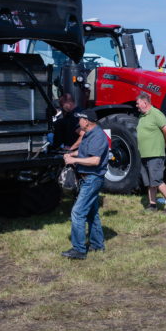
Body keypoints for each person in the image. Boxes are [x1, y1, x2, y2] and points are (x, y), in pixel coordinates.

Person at [61, 110, 109, 260]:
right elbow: (84, 152)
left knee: (77, 212)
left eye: (80, 119)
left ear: (87, 121)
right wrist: (72, 154)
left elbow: (95, 160)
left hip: (92, 179)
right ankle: (97, 244)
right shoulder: (88, 134)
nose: (79, 121)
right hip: (87, 179)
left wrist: (74, 161)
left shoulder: (98, 136)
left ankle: (79, 250)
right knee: (91, 213)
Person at [135, 92, 166, 213]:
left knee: (157, 181)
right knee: (149, 182)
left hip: (155, 154)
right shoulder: (142, 117)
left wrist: (165, 143)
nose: (137, 106)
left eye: (138, 103)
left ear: (144, 102)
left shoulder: (156, 114)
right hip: (144, 154)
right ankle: (152, 205)